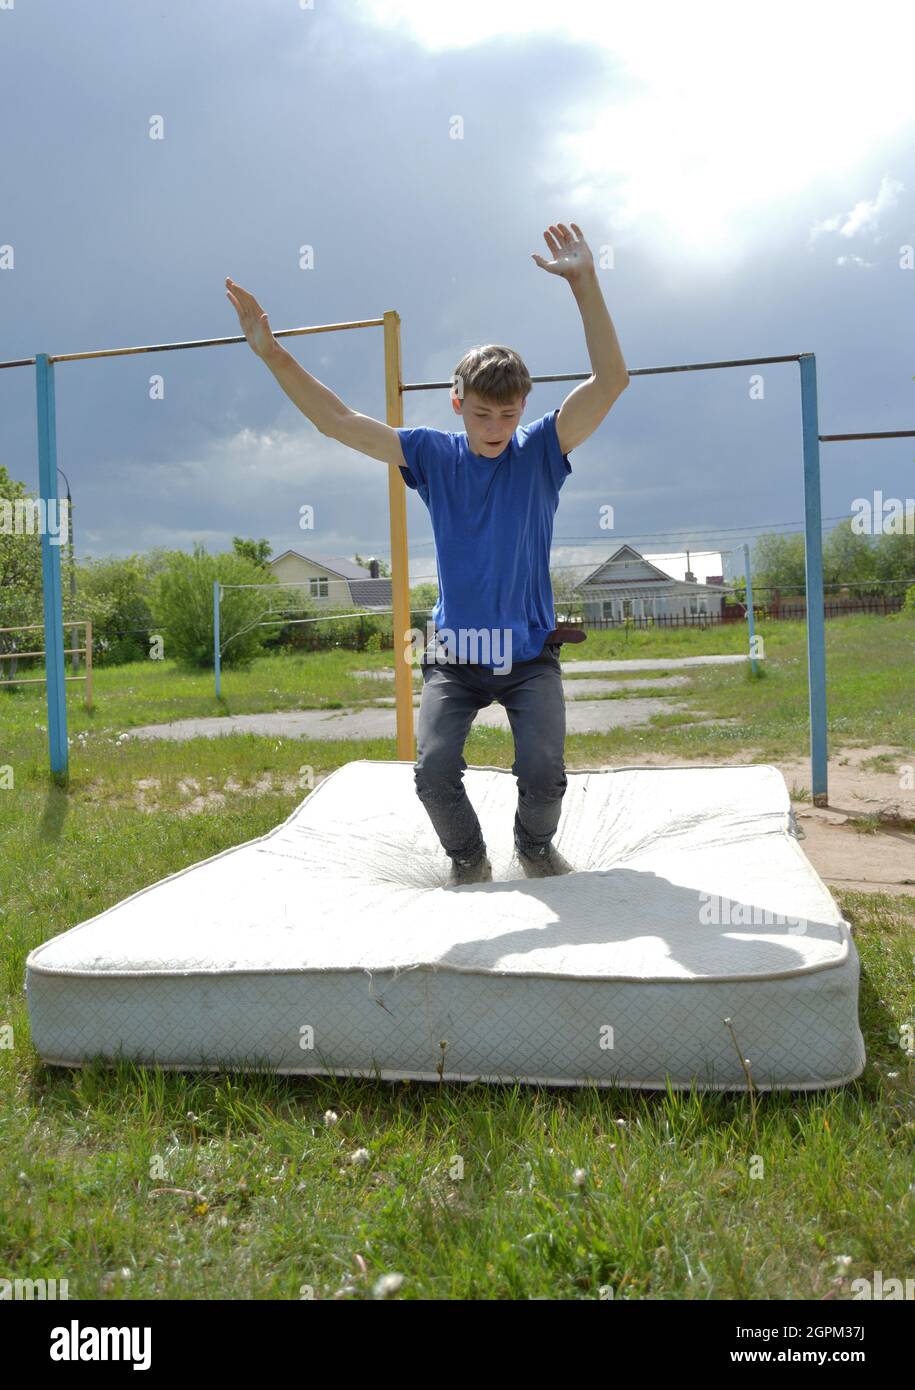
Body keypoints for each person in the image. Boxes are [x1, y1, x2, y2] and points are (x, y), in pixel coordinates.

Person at [226, 221, 629, 884]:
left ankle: (532, 846)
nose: (494, 429)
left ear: (522, 406)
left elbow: (610, 381)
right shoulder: (434, 456)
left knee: (543, 775)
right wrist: (272, 354)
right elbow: (337, 421)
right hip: (454, 656)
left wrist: (584, 283)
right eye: (480, 415)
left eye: (505, 415)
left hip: (529, 655)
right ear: (457, 403)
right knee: (432, 771)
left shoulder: (540, 452)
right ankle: (468, 860)